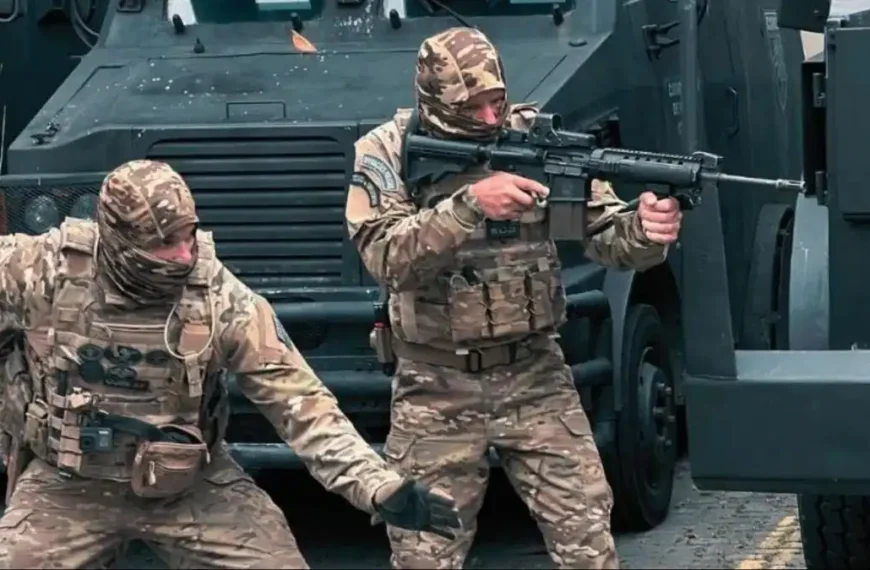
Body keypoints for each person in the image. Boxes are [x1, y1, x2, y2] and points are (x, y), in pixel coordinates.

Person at [0, 159, 461, 569]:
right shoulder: (43, 271)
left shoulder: (219, 299)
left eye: (188, 235)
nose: (184, 255)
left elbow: (300, 401)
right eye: (164, 244)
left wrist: (375, 487)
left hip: (191, 487)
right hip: (68, 487)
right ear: (119, 241)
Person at [344, 27, 683, 570]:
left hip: (536, 377)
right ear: (430, 102)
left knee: (588, 542)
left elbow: (599, 235)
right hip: (435, 387)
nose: (486, 118)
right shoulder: (386, 151)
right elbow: (384, 256)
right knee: (424, 553)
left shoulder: (533, 141)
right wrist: (470, 203)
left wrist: (645, 230)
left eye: (494, 101)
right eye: (469, 107)